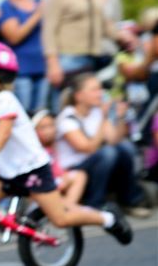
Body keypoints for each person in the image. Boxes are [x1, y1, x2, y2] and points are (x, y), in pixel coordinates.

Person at [0, 41, 132, 246]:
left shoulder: (4, 101)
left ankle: (108, 218)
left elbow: (3, 133)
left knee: (61, 218)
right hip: (6, 172)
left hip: (33, 170)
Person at [55, 73, 149, 217]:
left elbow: (114, 140)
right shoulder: (67, 118)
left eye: (100, 89)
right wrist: (104, 117)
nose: (100, 94)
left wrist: (120, 116)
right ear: (79, 96)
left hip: (98, 166)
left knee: (125, 148)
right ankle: (95, 204)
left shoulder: (96, 112)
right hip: (75, 172)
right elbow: (89, 148)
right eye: (94, 90)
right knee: (108, 153)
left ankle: (130, 200)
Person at [42, 0, 126, 111]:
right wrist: (52, 63)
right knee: (65, 105)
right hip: (68, 58)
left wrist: (121, 36)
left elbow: (103, 22)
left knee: (89, 106)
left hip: (92, 57)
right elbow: (48, 30)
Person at [0, 0, 48, 113]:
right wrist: (37, 15)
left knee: (42, 114)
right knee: (21, 114)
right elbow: (14, 37)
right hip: (21, 73)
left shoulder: (40, 1)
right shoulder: (5, 6)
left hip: (44, 69)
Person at [32, 109, 88, 204]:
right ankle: (67, 208)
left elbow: (56, 168)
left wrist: (63, 175)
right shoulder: (36, 150)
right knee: (80, 176)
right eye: (43, 127)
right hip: (43, 186)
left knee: (79, 175)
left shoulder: (52, 148)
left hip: (55, 181)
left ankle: (67, 206)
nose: (48, 131)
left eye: (51, 126)